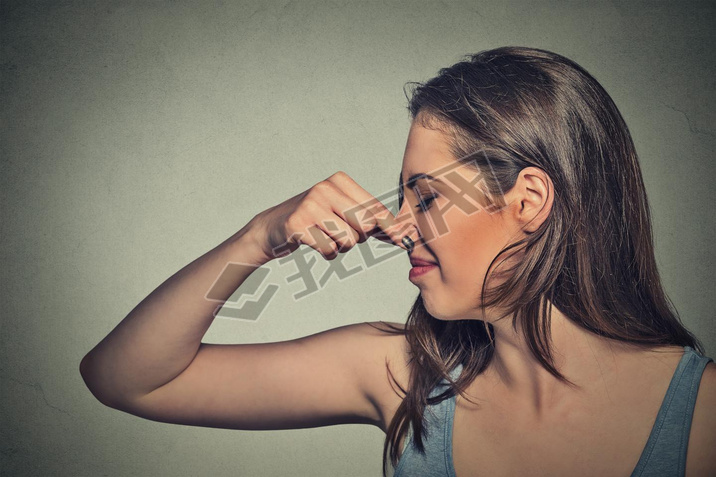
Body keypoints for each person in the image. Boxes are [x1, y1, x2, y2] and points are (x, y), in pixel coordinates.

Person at [79, 46, 715, 476]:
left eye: (428, 195)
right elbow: (125, 378)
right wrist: (258, 238)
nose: (398, 225)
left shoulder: (701, 415)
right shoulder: (404, 376)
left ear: (529, 199)